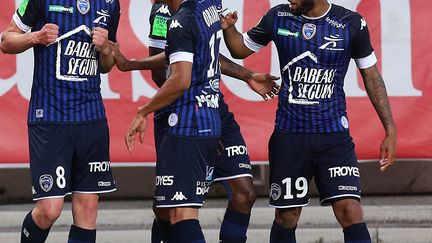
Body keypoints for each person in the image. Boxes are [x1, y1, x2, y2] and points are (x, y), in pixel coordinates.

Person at [220, 0, 397, 242]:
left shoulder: (351, 23)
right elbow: (239, 50)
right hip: (290, 137)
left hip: (334, 138)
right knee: (287, 217)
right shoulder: (278, 16)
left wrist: (390, 129)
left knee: (350, 211)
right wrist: (229, 29)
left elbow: (372, 76)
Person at [111, 1, 279, 242]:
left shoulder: (206, 5)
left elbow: (201, 50)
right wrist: (133, 66)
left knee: (244, 193)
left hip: (209, 111)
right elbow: (165, 71)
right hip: (182, 112)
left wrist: (246, 75)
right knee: (169, 209)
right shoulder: (162, 13)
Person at [0, 0, 120, 242]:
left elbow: (107, 64)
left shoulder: (110, 3)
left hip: (91, 117)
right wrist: (36, 37)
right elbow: (6, 40)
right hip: (50, 118)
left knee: (88, 210)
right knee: (49, 210)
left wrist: (106, 49)